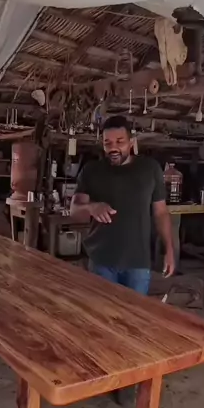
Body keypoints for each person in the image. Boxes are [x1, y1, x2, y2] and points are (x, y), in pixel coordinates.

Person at [71, 115, 175, 295]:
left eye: (120, 142)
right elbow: (74, 209)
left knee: (134, 312)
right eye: (108, 143)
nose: (113, 148)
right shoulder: (91, 170)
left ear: (131, 142)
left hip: (138, 263)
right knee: (102, 311)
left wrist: (169, 250)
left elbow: (161, 213)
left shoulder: (150, 169)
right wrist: (91, 207)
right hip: (101, 260)